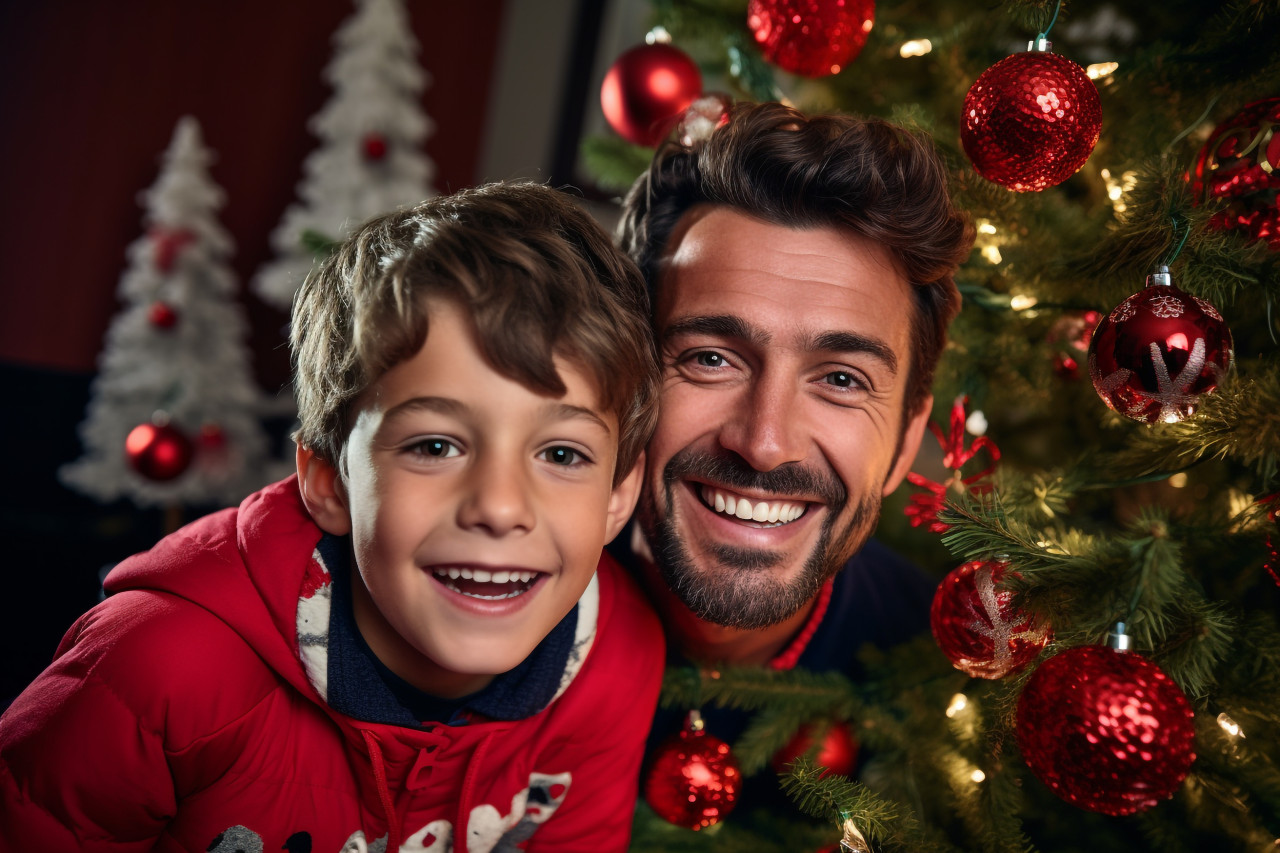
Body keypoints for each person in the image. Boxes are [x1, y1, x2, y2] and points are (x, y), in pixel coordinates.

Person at [0, 182, 664, 853]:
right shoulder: (158, 666)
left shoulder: (617, 660)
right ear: (327, 480)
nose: (498, 505)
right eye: (434, 446)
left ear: (619, 493)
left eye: (561, 452)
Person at [613, 101, 975, 808]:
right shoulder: (486, 605)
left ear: (905, 442)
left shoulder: (948, 691)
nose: (763, 441)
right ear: (621, 382)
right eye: (711, 358)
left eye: (841, 379)